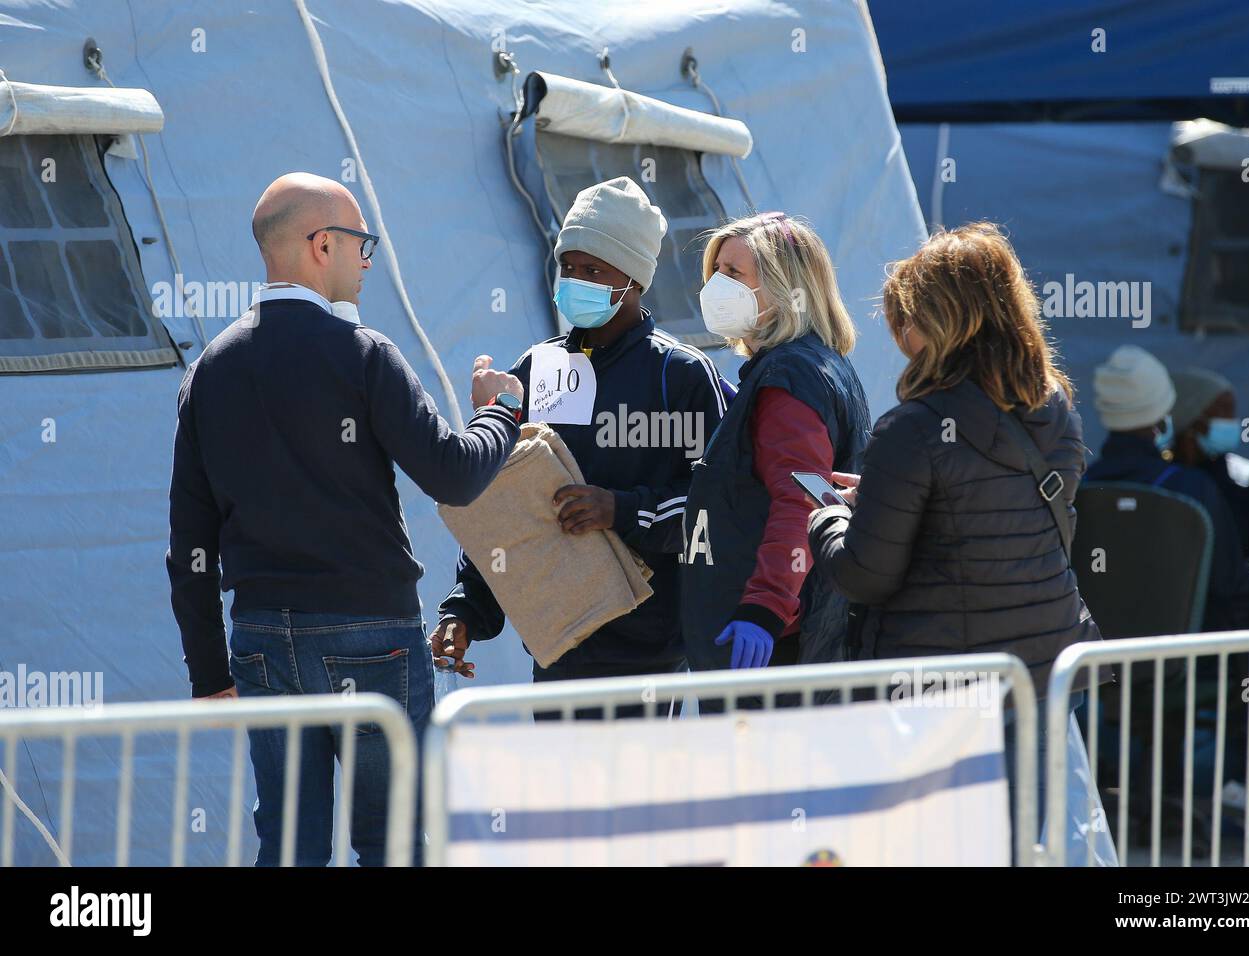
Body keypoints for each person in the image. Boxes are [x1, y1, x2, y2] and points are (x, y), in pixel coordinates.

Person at [166, 172, 522, 865]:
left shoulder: (209, 370)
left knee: (290, 847)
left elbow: (191, 545)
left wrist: (209, 670)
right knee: (392, 845)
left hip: (262, 638)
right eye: (363, 244)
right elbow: (454, 472)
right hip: (373, 636)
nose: (368, 260)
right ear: (321, 244)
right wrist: (500, 411)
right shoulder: (363, 354)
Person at [806, 222, 1114, 864]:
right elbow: (991, 514)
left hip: (943, 686)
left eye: (906, 323)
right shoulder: (1055, 409)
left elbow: (866, 575)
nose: (901, 341)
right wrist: (889, 497)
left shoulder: (909, 431)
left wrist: (829, 521)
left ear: (943, 323)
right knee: (1033, 846)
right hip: (1045, 666)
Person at [435, 177, 728, 711]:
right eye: (568, 266)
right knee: (558, 795)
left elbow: (718, 507)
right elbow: (502, 504)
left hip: (647, 658)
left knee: (630, 796)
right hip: (555, 644)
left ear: (634, 279)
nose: (575, 281)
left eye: (593, 270)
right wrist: (464, 611)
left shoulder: (679, 374)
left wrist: (620, 510)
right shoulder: (538, 368)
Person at [679, 212, 870, 675]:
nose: (716, 286)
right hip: (802, 628)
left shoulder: (789, 378)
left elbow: (800, 498)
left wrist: (764, 608)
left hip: (775, 641)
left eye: (734, 273)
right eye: (716, 272)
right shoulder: (820, 365)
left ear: (786, 288)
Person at [1085, 347, 1249, 632]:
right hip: (1183, 666)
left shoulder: (1082, 487)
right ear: (1165, 412)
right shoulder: (1191, 489)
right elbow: (1235, 590)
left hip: (1098, 665)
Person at [1171, 367, 1249, 581]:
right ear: (1193, 417)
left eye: (1233, 412)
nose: (1232, 421)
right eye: (1224, 411)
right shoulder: (1162, 477)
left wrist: (1240, 592)